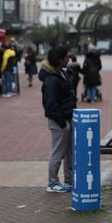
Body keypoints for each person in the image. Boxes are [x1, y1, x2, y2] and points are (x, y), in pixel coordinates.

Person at [39, 45, 76, 193]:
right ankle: (53, 183)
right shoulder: (51, 80)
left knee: (68, 152)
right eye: (66, 57)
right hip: (59, 121)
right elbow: (50, 105)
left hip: (67, 117)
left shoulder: (61, 73)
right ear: (59, 60)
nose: (69, 59)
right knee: (58, 152)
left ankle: (69, 180)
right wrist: (62, 124)